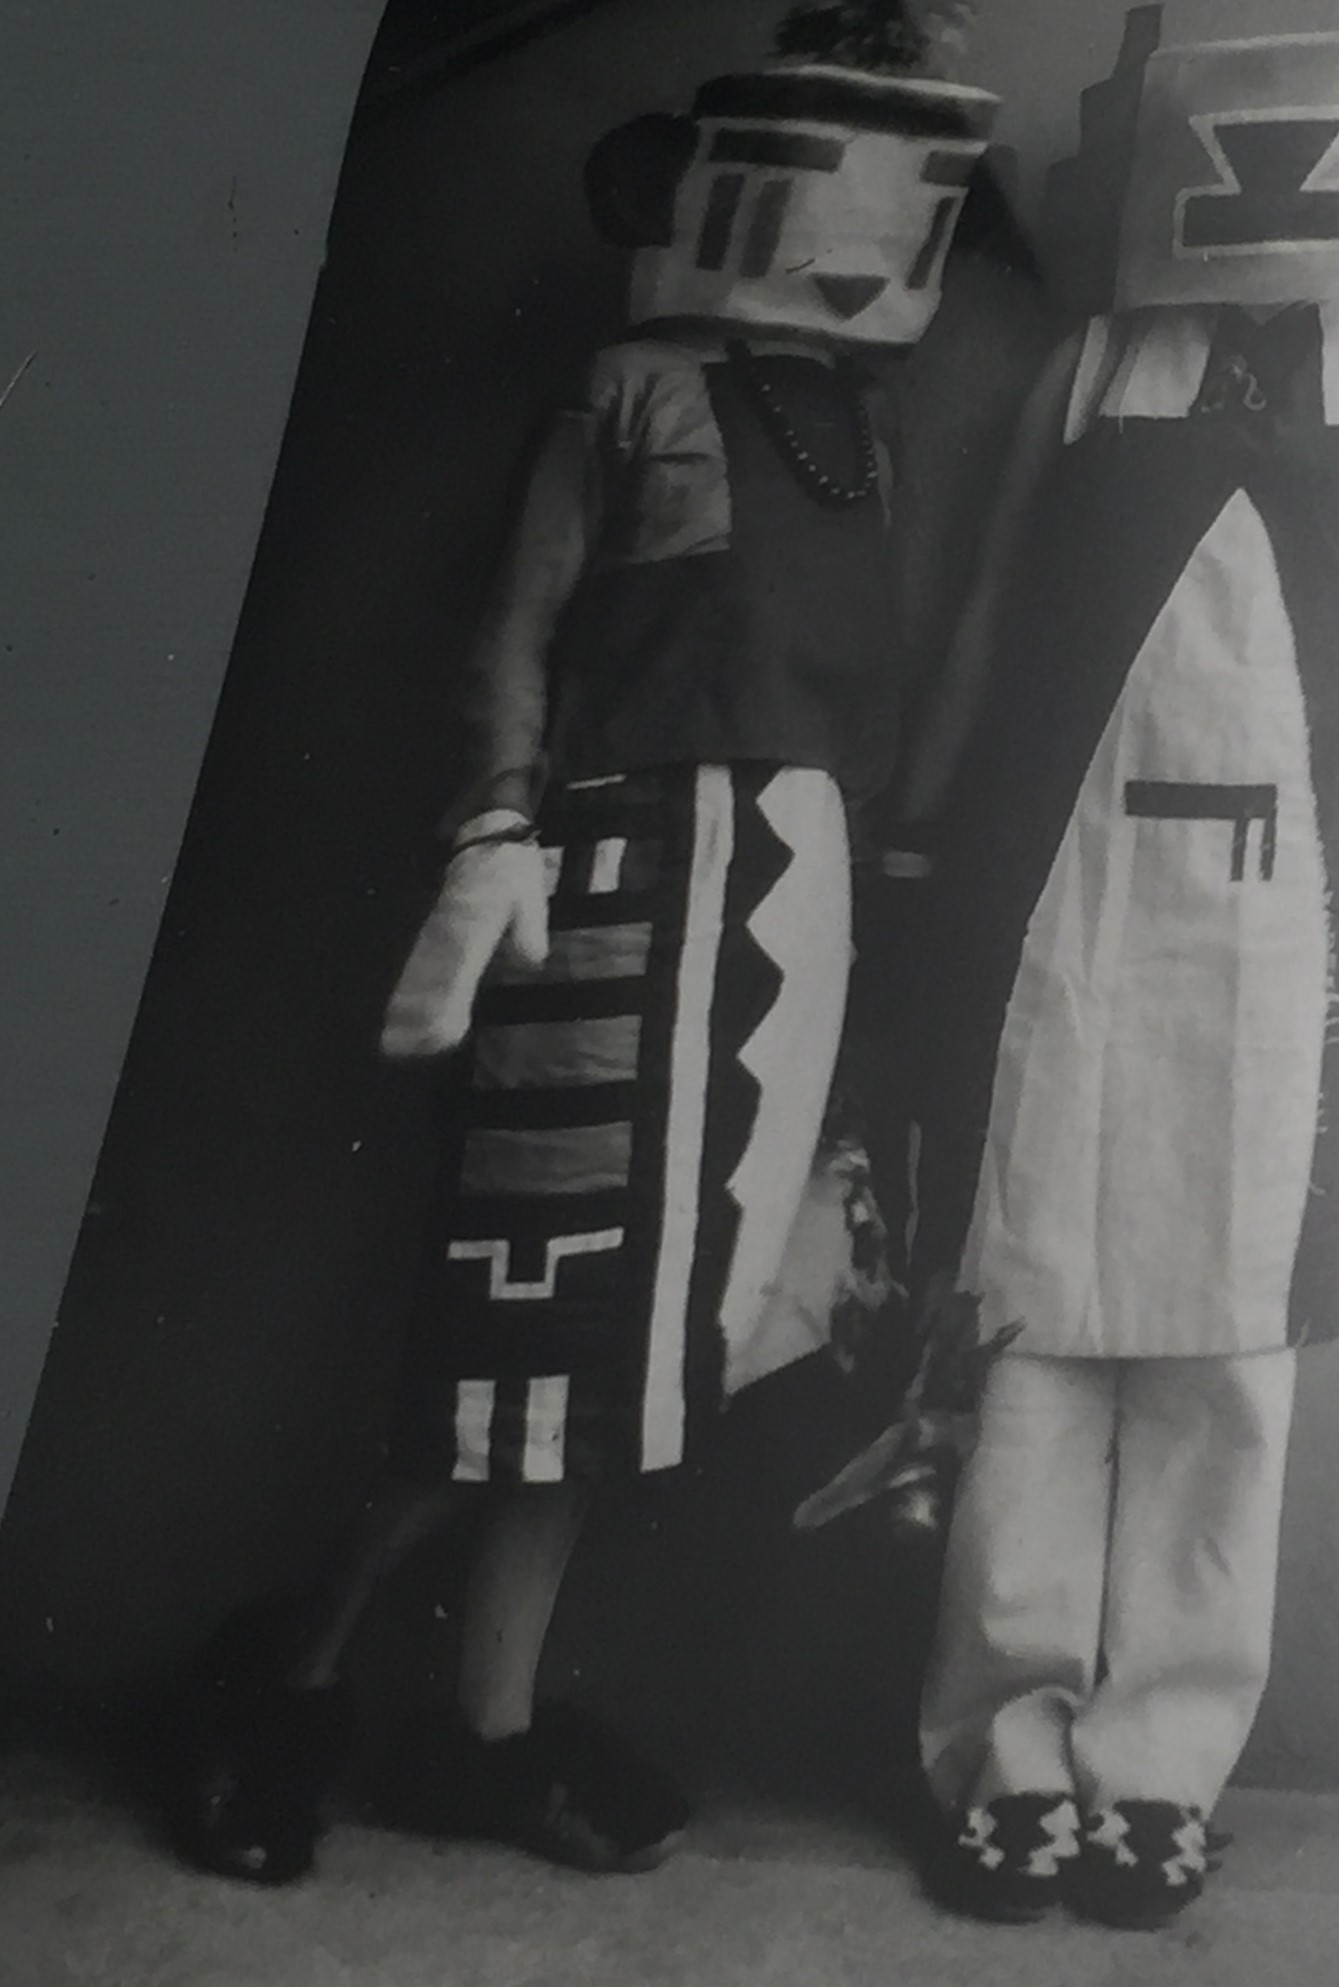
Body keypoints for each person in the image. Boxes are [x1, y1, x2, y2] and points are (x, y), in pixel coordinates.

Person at [169, 0, 1000, 1886]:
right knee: (519, 1338)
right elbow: (518, 637)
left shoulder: (865, 426)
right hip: (614, 882)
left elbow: (860, 689)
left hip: (796, 900)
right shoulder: (629, 389)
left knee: (655, 1361)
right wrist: (494, 827)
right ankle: (279, 1686)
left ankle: (488, 1731)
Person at [874, 4, 1339, 1930]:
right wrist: (920, 838)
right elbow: (996, 596)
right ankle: (1003, 1755)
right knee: (1030, 1321)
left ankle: (1157, 1770)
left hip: (1297, 929)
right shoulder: (1100, 360)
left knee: (1228, 1354)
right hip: (1063, 908)